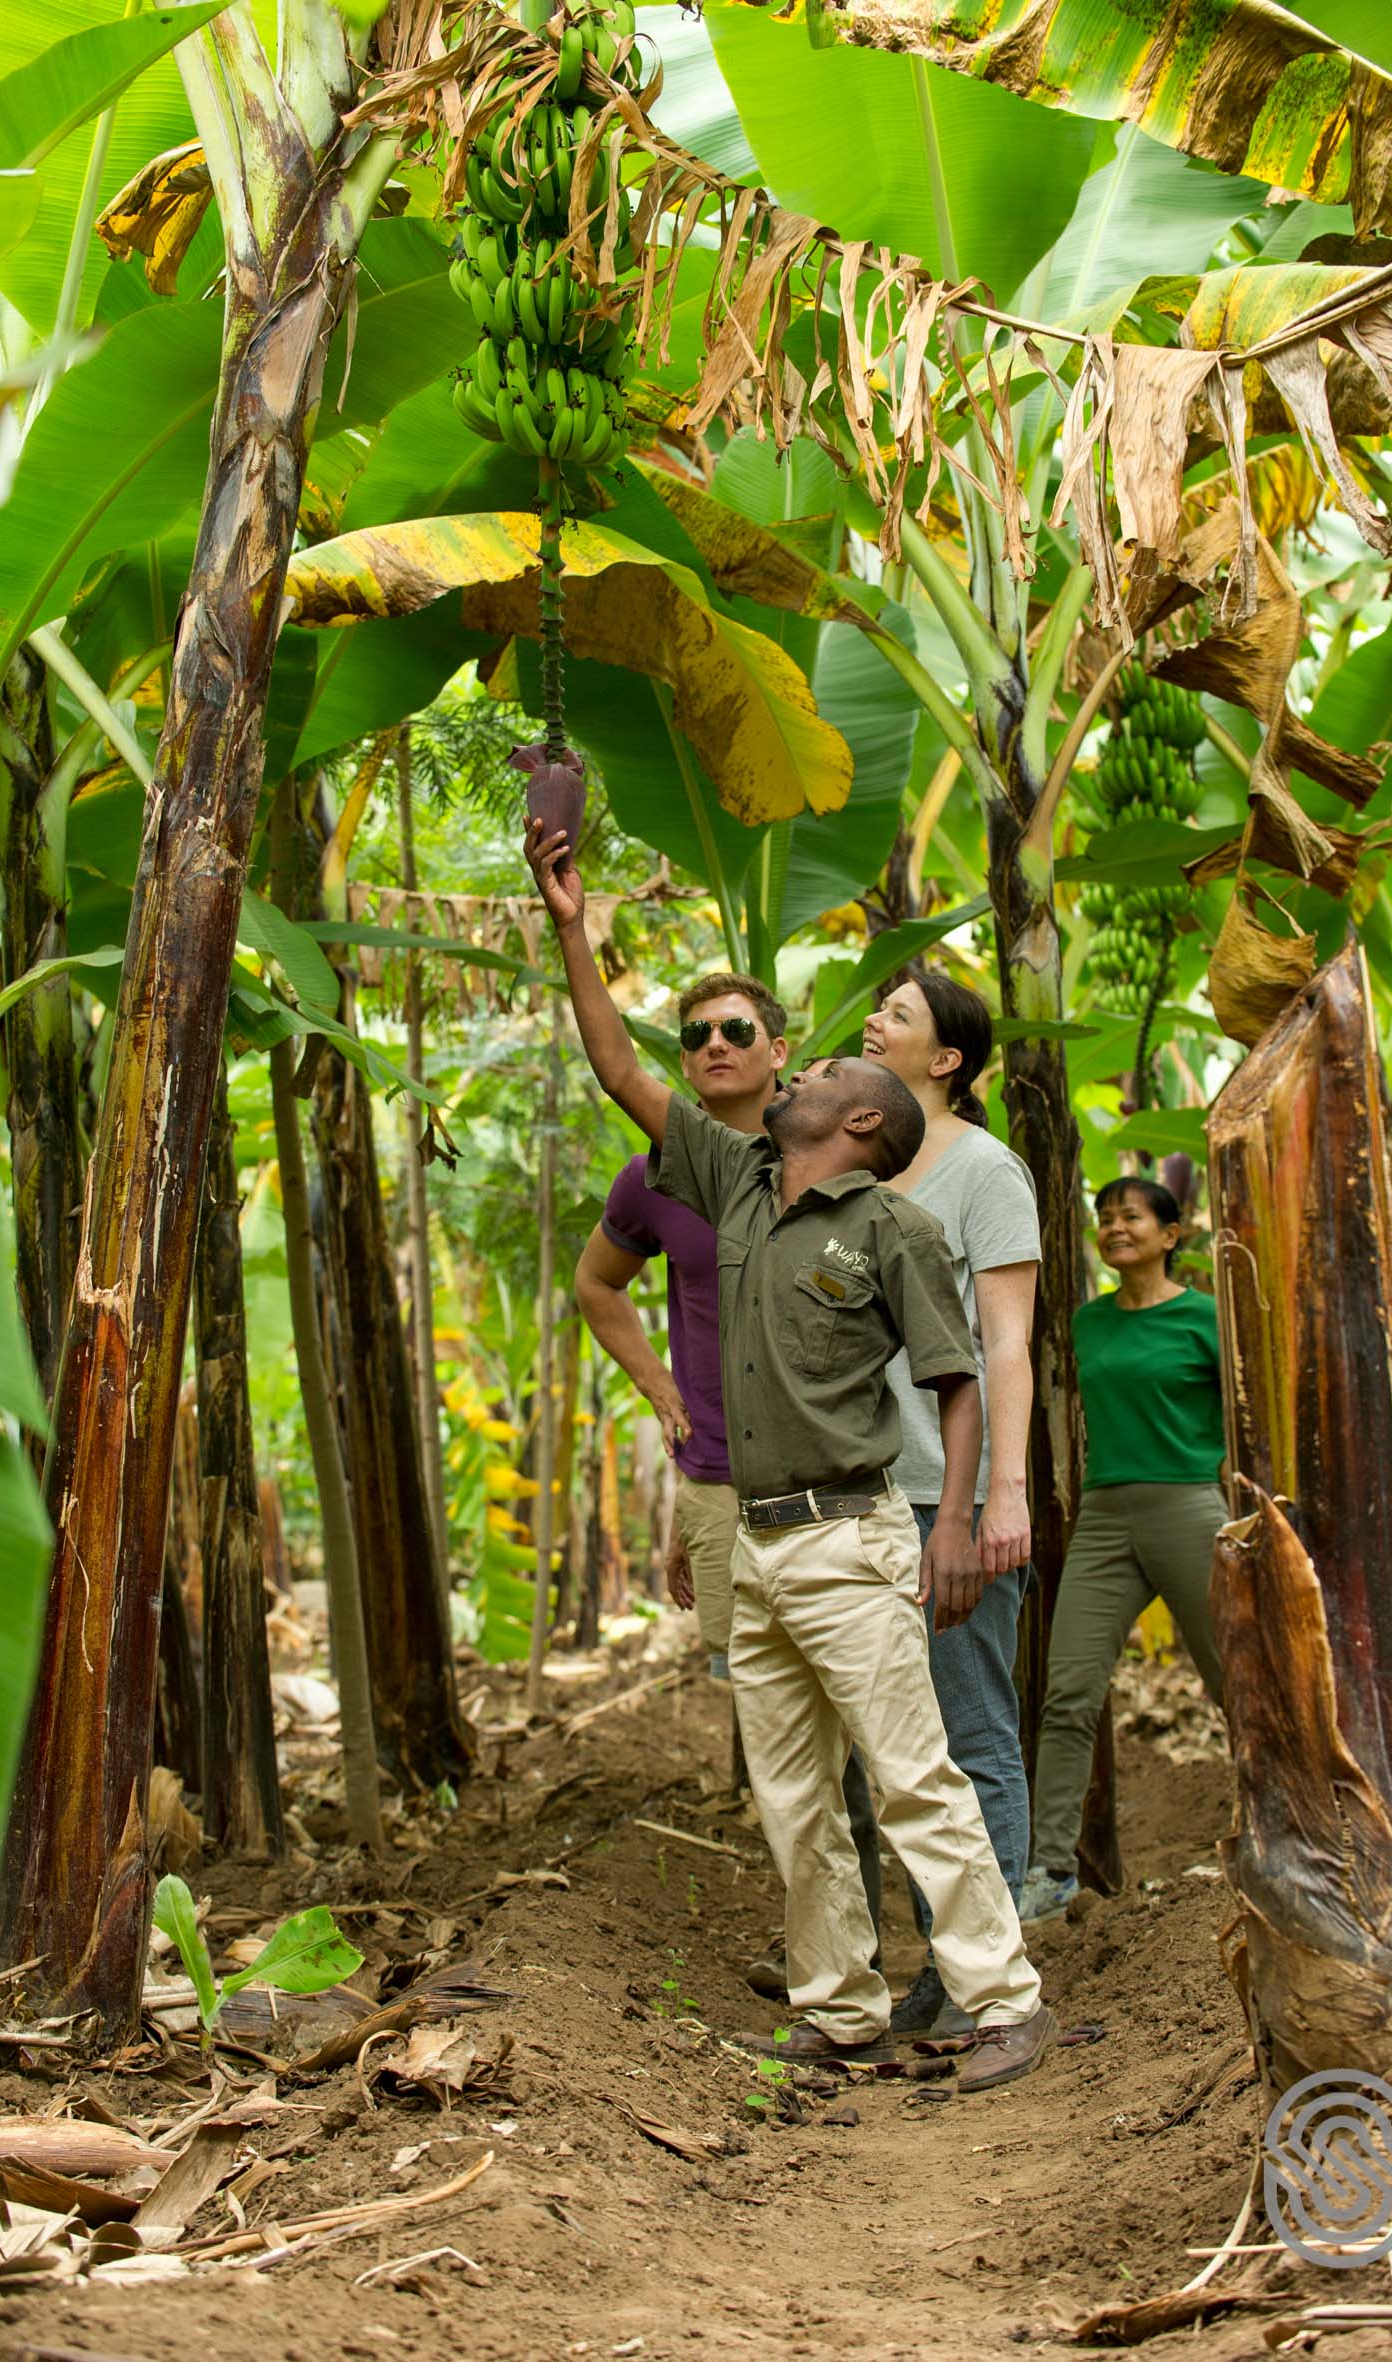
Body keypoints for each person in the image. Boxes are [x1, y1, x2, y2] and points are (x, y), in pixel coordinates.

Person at [526, 815, 1054, 2090]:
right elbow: (617, 1065)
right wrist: (570, 930)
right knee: (796, 1792)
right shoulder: (737, 1181)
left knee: (913, 1774)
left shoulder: (892, 1231)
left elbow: (958, 1381)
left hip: (851, 1534)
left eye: (823, 1075)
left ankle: (1003, 1997)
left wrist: (953, 1522)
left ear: (863, 1122)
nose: (800, 1072)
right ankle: (841, 2004)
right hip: (758, 1539)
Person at [573, 972, 884, 1959]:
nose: (715, 1043)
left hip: (833, 1479)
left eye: (737, 1029)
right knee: (782, 1732)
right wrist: (662, 1391)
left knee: (869, 1724)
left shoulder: (836, 1163)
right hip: (719, 1481)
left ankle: (896, 1944)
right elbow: (598, 1285)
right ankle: (834, 1951)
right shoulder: (657, 1176)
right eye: (697, 1032)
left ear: (778, 1051)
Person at [862, 970, 1039, 2038]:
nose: (873, 1018)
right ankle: (946, 1960)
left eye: (899, 1013)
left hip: (948, 1496)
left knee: (972, 1734)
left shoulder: (984, 1169)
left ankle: (990, 1975)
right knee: (906, 1753)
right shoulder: (858, 1164)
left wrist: (998, 1498)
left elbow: (1007, 1342)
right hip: (867, 1500)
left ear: (944, 1061)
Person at [1020, 1176, 1228, 1922]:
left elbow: (1247, 1417)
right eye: (1104, 1217)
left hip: (1188, 1508)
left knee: (1235, 1683)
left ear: (1170, 1235)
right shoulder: (1088, 1323)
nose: (1114, 1227)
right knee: (1069, 1692)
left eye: (1131, 1217)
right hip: (1105, 1516)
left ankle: (1282, 1833)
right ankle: (1049, 1871)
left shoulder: (1208, 1318)